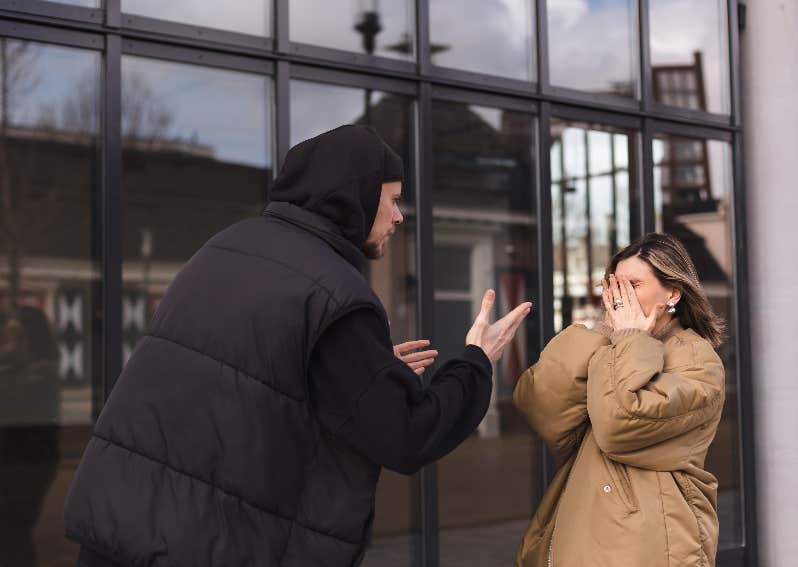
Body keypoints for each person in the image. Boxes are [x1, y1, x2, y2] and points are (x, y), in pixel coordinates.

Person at [64, 125, 532, 566]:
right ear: (355, 199)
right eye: (390, 200)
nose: (398, 215)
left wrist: (357, 374)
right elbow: (407, 434)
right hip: (202, 544)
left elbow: (247, 375)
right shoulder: (333, 293)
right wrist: (477, 362)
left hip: (125, 524)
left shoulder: (228, 247)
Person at [514, 232, 725, 567]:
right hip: (582, 529)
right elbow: (540, 406)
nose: (619, 297)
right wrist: (606, 333)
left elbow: (619, 425)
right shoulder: (610, 346)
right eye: (613, 285)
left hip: (647, 544)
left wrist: (629, 338)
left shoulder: (697, 361)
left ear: (672, 292)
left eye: (634, 285)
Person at [0, 306, 62, 567]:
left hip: (29, 462)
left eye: (17, 336)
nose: (9, 344)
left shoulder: (43, 370)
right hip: (18, 458)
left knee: (13, 533)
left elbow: (12, 394)